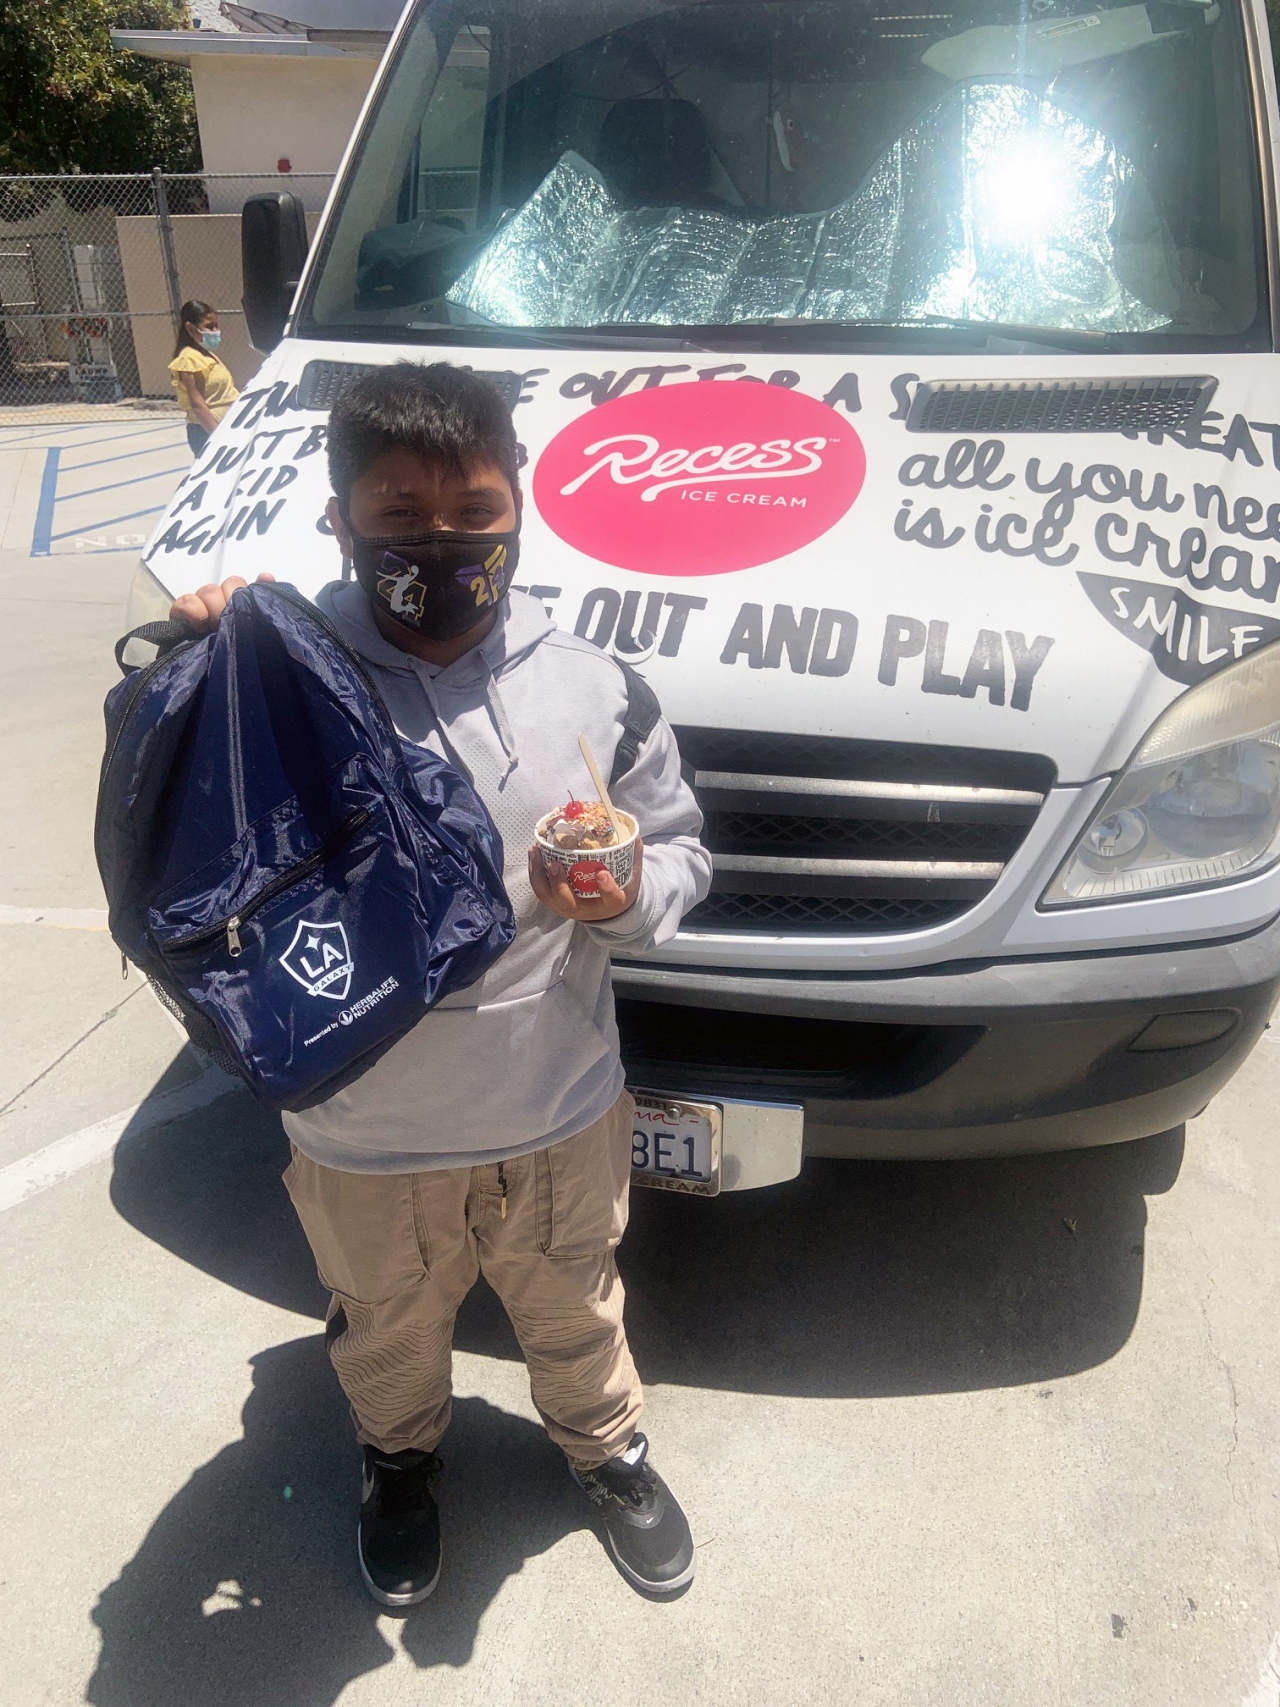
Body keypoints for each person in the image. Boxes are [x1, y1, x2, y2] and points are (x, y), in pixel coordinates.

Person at [169, 362, 712, 1605]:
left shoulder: (598, 686)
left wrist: (630, 893)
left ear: (519, 502)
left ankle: (606, 1447)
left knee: (576, 1311)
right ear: (338, 512)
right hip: (365, 1133)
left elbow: (681, 848)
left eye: (473, 510)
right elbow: (193, 851)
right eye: (400, 515)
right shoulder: (274, 678)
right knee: (387, 1329)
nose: (444, 542)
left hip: (558, 1113)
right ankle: (398, 1459)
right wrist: (201, 657)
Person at [168, 300, 239, 456]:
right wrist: (216, 436)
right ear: (190, 328)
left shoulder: (206, 355)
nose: (215, 331)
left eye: (216, 325)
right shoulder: (190, 359)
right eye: (209, 326)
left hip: (226, 426)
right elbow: (197, 403)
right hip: (207, 431)